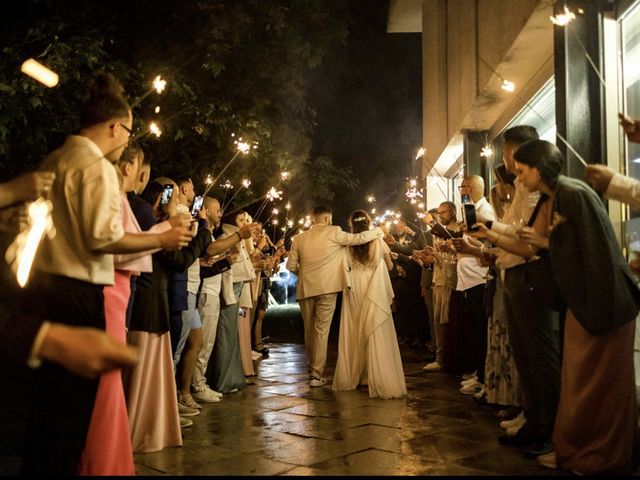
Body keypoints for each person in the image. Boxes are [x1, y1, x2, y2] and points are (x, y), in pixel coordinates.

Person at [20, 73, 191, 475]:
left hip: (48, 290)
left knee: (48, 413)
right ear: (115, 127)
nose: (127, 141)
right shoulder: (94, 167)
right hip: (80, 294)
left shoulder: (56, 159)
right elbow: (103, 239)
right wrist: (160, 241)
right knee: (75, 413)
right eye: (128, 132)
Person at [479, 139, 640, 474]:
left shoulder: (571, 193)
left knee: (598, 387)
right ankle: (578, 449)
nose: (519, 178)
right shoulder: (557, 196)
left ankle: (600, 455)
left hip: (600, 305)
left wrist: (545, 244)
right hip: (584, 303)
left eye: (522, 171)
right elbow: (564, 245)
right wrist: (542, 242)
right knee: (581, 382)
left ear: (539, 167)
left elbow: (594, 251)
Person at [286, 205, 384, 387]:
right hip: (327, 287)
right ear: (326, 219)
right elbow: (359, 238)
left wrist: (305, 275)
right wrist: (379, 230)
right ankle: (316, 374)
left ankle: (311, 367)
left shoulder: (298, 238)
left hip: (306, 288)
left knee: (309, 329)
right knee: (321, 330)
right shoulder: (334, 232)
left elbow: (291, 266)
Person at [332, 210, 407, 399]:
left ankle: (356, 374)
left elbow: (343, 265)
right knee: (375, 328)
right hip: (374, 286)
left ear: (352, 224)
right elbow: (389, 266)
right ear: (368, 222)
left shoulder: (348, 244)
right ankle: (376, 375)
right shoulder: (378, 240)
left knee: (354, 327)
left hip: (355, 286)